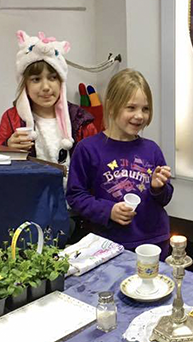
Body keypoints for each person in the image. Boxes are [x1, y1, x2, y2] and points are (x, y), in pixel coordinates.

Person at [66, 69, 173, 257]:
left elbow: (165, 198)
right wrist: (108, 211)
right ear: (111, 106)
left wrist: (159, 187)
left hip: (155, 241)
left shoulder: (152, 149)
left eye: (145, 108)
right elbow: (75, 196)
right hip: (109, 244)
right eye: (131, 108)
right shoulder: (88, 148)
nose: (139, 115)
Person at [0, 30, 97, 169]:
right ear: (25, 84)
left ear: (61, 81)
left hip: (71, 190)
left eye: (52, 78)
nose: (46, 87)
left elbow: (95, 163)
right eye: (36, 79)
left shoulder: (80, 120)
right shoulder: (11, 118)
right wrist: (8, 148)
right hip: (30, 189)